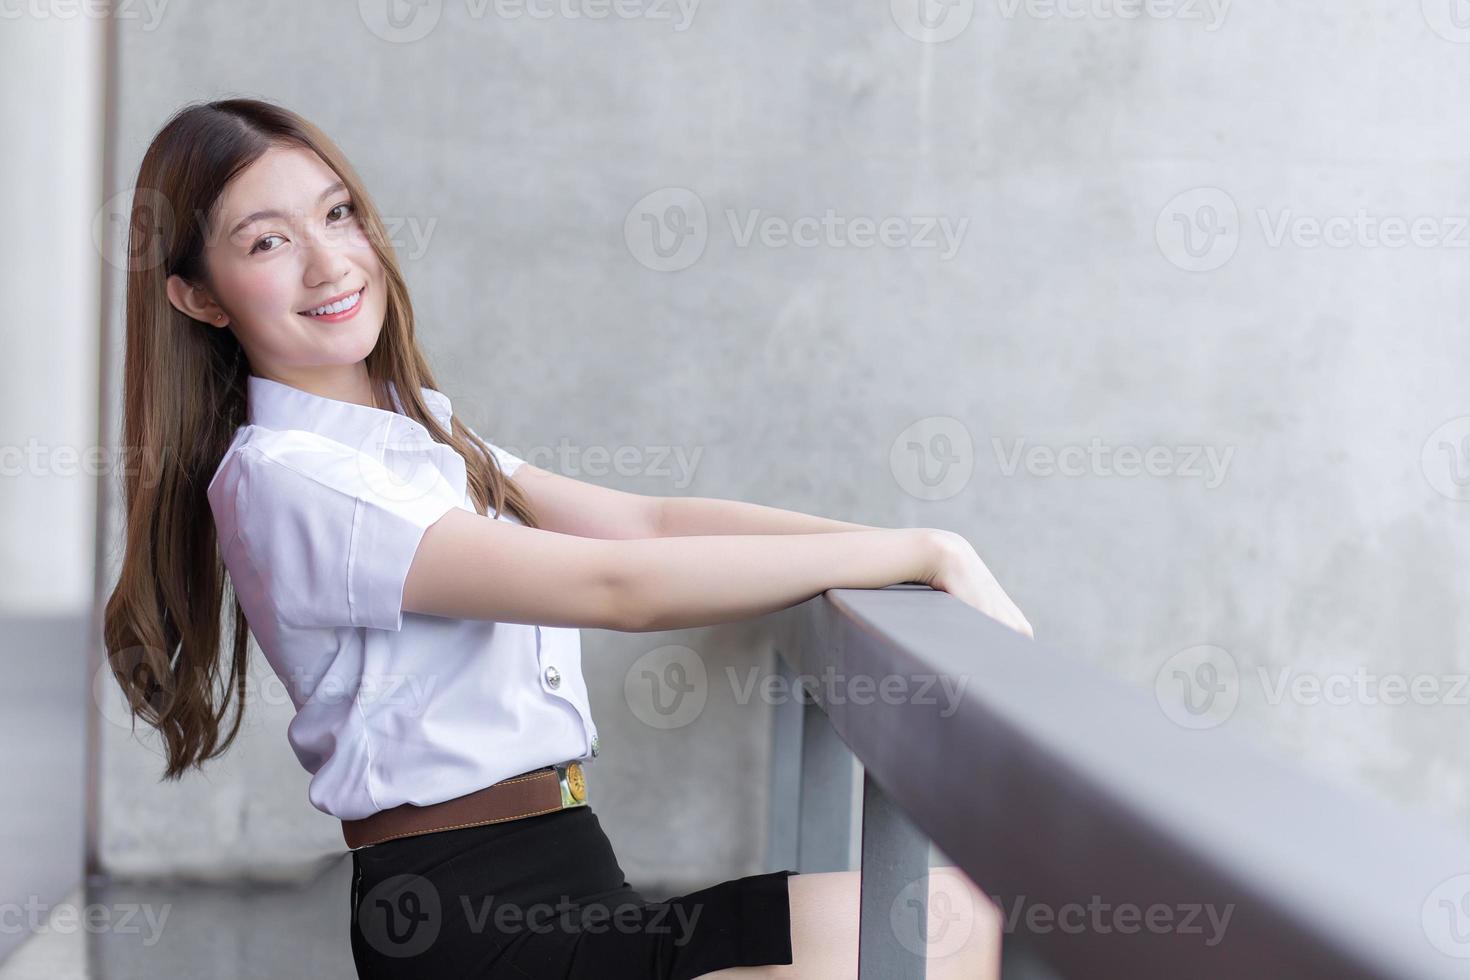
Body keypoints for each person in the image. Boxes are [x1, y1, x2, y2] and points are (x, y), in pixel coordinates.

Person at [102, 96, 1028, 979]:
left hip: (558, 871)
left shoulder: (414, 435)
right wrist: (920, 554)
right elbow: (611, 588)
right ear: (198, 298)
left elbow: (644, 521)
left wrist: (892, 541)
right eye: (268, 241)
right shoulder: (291, 479)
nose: (329, 262)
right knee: (939, 932)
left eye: (338, 214)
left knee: (940, 930)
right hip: (471, 916)